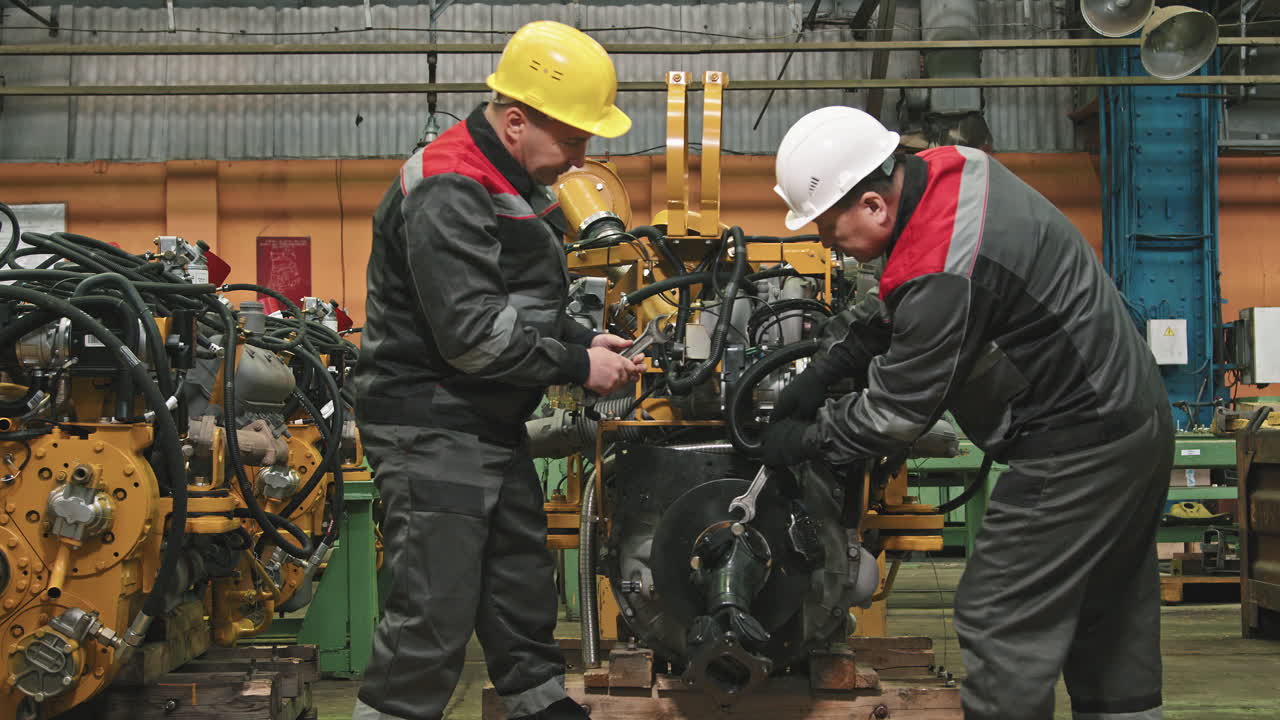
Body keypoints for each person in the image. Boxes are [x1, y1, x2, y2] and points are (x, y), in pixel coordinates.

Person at [762, 106, 1173, 720]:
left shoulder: (939, 269)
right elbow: (904, 287)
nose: (823, 240)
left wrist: (810, 437)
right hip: (1135, 421)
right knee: (1107, 617)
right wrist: (833, 360)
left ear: (873, 204)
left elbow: (898, 414)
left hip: (1078, 445)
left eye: (825, 225)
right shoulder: (951, 170)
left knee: (1000, 613)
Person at [351, 21, 645, 720]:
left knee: (519, 586)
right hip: (429, 423)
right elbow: (475, 338)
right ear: (517, 122)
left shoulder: (508, 179)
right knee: (433, 609)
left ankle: (540, 705)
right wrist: (578, 365)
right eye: (573, 141)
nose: (579, 159)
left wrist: (585, 339)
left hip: (485, 420)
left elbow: (522, 303)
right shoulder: (451, 185)